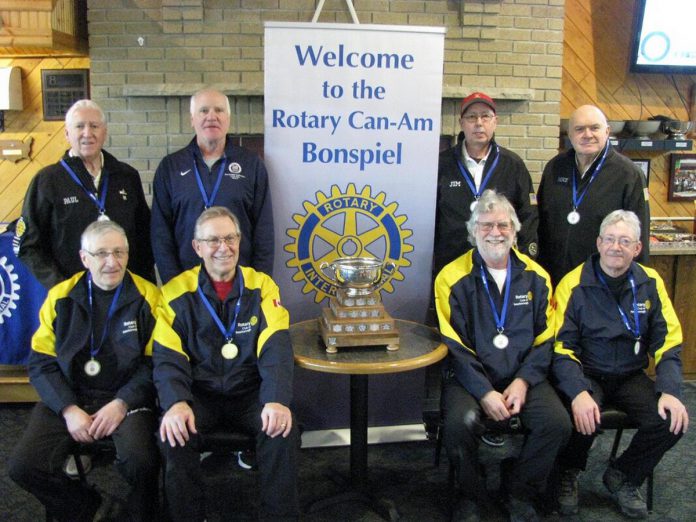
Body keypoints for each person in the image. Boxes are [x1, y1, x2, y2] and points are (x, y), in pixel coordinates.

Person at [152, 206, 298, 521]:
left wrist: (275, 399)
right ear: (197, 247)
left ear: (240, 241)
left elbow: (276, 346)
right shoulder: (174, 293)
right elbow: (167, 358)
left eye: (230, 238)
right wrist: (176, 403)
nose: (224, 247)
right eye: (214, 240)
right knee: (174, 432)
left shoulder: (262, 286)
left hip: (249, 394)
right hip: (199, 394)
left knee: (283, 428)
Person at [8, 220, 160, 522]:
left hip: (125, 398)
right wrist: (67, 409)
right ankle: (86, 504)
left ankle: (140, 512)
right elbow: (41, 363)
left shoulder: (150, 297)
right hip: (69, 395)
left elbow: (154, 363)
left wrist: (121, 403)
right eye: (101, 253)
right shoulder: (60, 297)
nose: (112, 262)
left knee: (142, 462)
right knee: (23, 467)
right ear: (84, 258)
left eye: (119, 252)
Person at [434, 190, 570, 522]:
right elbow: (453, 346)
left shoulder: (538, 277)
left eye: (503, 224)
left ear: (515, 229)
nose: (496, 232)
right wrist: (483, 392)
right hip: (470, 381)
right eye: (486, 225)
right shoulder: (450, 278)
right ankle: (472, 495)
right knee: (457, 424)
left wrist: (523, 382)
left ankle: (519, 490)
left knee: (558, 424)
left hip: (524, 377)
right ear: (472, 231)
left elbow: (545, 339)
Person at [551, 210, 687, 519]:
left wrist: (670, 390)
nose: (616, 247)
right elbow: (561, 349)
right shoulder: (572, 284)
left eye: (625, 241)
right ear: (599, 243)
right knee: (582, 414)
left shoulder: (650, 282)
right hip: (587, 373)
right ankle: (568, 472)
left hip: (630, 375)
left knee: (672, 420)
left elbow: (669, 342)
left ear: (637, 248)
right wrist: (577, 392)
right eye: (610, 239)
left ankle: (624, 475)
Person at [14, 99, 155, 289]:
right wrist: (61, 287)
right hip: (72, 298)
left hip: (126, 295)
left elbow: (145, 237)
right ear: (67, 133)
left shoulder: (127, 176)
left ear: (104, 132)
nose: (87, 133)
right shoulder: (47, 181)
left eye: (94, 126)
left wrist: (143, 286)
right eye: (79, 126)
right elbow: (27, 245)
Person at [151, 88, 274, 284]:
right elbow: (160, 233)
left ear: (228, 119)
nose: (212, 117)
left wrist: (259, 284)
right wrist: (174, 284)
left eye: (219, 110)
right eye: (204, 111)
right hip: (186, 284)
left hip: (241, 283)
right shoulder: (171, 167)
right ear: (192, 119)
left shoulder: (251, 164)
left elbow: (264, 230)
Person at [537, 104, 650, 286]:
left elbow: (639, 236)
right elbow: (541, 222)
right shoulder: (555, 168)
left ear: (607, 131)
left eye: (594, 128)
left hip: (602, 284)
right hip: (554, 279)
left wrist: (634, 286)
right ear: (570, 134)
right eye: (579, 129)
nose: (587, 135)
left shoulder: (629, 175)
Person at [433, 91, 538, 277]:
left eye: (485, 117)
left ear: (495, 122)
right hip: (451, 267)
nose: (479, 123)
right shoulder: (441, 164)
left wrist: (523, 260)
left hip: (499, 267)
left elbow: (528, 216)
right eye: (472, 117)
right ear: (461, 123)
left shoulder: (513, 165)